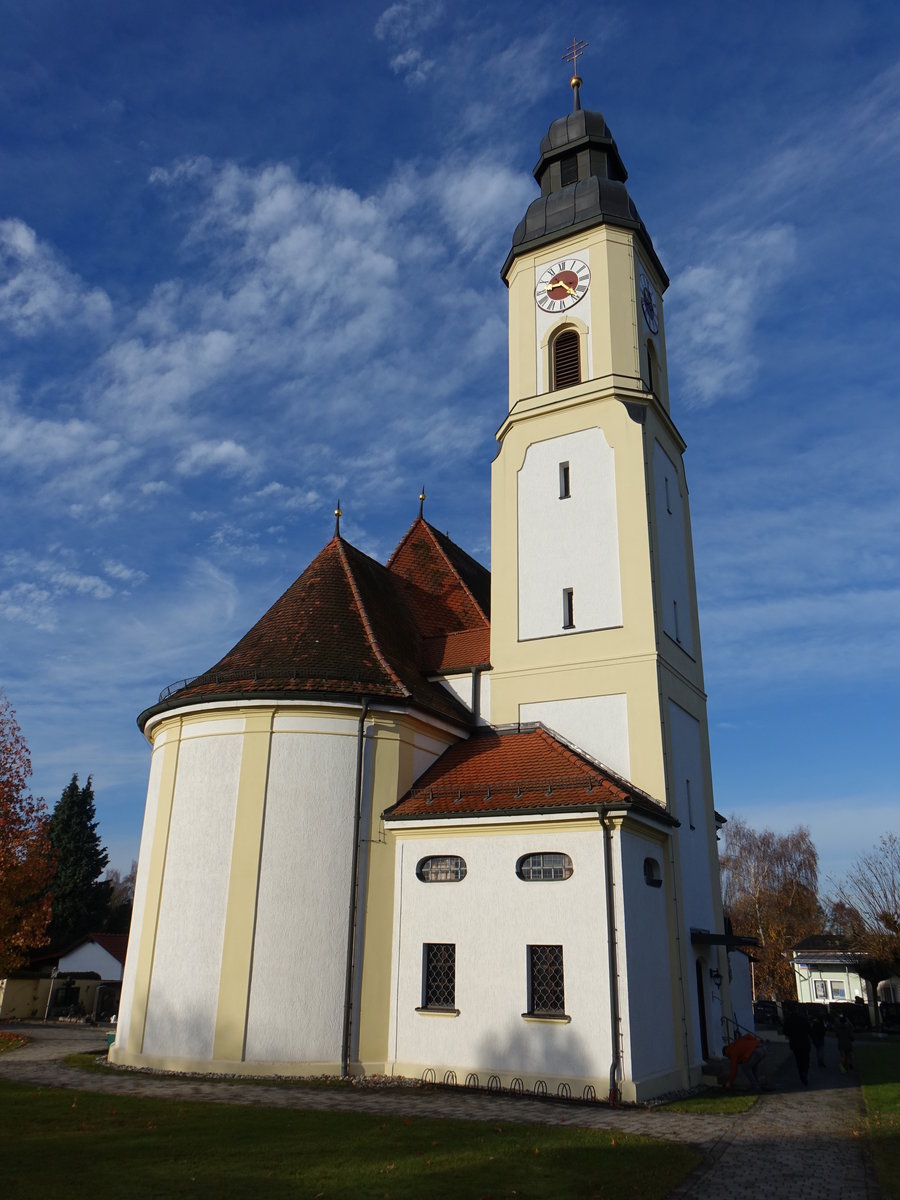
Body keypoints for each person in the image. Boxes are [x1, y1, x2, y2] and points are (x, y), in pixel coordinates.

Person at [783, 1008, 812, 1085]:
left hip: (794, 1043)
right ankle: (805, 1072)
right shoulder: (803, 1019)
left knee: (798, 1060)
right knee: (806, 1059)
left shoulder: (788, 1020)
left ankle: (802, 1074)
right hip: (805, 1042)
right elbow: (809, 1029)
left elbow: (785, 1031)